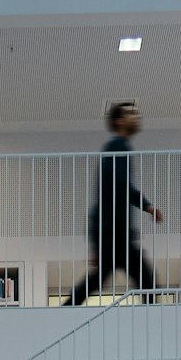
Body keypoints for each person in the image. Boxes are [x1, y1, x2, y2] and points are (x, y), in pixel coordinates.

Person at [68, 101, 163, 305]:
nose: (136, 117)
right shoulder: (117, 146)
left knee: (99, 279)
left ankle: (65, 309)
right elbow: (121, 185)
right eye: (131, 114)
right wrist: (147, 205)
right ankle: (153, 317)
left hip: (111, 230)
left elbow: (116, 189)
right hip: (114, 230)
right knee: (146, 280)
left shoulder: (116, 147)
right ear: (119, 121)